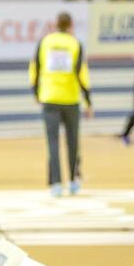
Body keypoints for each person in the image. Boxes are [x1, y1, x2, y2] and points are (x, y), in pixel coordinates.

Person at [29, 12, 93, 197]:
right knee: (73, 142)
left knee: (53, 143)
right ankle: (73, 181)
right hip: (71, 99)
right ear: (71, 25)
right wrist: (88, 100)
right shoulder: (75, 44)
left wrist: (35, 92)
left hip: (49, 97)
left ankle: (56, 183)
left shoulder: (45, 42)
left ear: (55, 24)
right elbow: (82, 73)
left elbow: (35, 68)